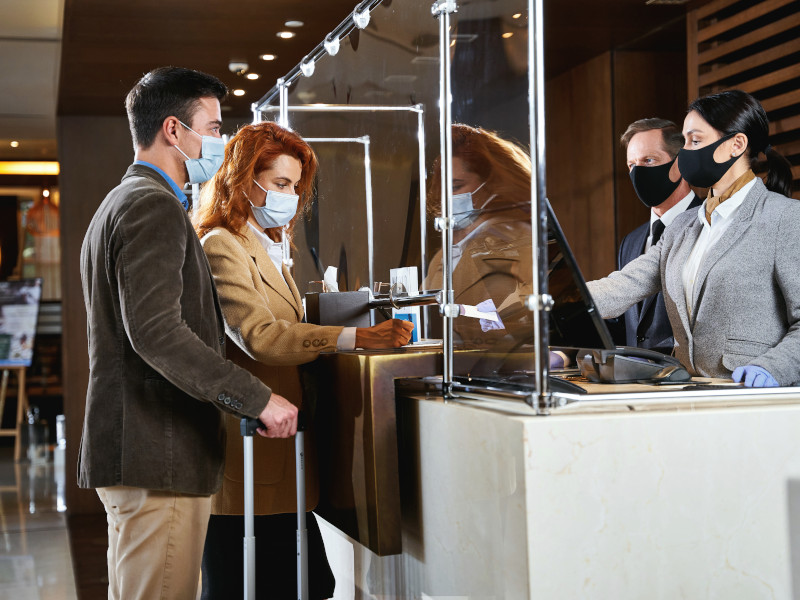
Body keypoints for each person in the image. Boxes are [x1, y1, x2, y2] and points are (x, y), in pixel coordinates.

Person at [79, 67, 299, 600]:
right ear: (174, 130)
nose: (220, 141)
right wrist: (255, 397)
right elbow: (156, 332)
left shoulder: (124, 200)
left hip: (141, 455)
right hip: (159, 455)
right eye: (214, 127)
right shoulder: (151, 204)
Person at [193, 121, 414, 599]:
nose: (290, 197)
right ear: (242, 180)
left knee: (307, 583)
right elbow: (261, 336)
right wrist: (356, 336)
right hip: (250, 452)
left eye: (295, 187)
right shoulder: (222, 245)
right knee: (252, 583)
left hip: (279, 451)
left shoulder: (267, 247)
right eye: (280, 183)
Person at [587, 89, 799, 387]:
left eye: (695, 141)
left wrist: (773, 368)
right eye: (685, 141)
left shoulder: (786, 218)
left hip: (752, 396)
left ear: (737, 144)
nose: (685, 153)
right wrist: (546, 303)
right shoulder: (682, 226)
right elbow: (623, 285)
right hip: (691, 392)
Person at [424, 123, 533, 347]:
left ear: (489, 185)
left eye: (456, 186)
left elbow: (520, 322)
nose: (446, 198)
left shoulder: (519, 240)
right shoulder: (443, 256)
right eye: (443, 188)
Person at [614, 118, 702, 352]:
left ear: (680, 163)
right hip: (636, 374)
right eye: (632, 165)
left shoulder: (710, 225)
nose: (638, 172)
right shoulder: (630, 242)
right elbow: (624, 325)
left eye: (649, 160)